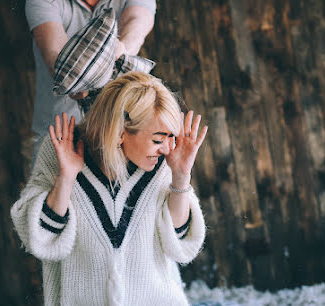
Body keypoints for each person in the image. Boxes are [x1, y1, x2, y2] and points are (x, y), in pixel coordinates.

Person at [11, 71, 208, 305]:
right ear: (120, 132)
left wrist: (181, 176)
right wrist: (66, 177)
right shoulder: (62, 150)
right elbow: (40, 239)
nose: (167, 148)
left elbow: (180, 243)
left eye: (170, 138)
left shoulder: (162, 163)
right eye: (157, 140)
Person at [25, 0, 157, 161]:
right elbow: (54, 55)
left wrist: (121, 51)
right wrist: (72, 82)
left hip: (122, 131)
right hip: (60, 133)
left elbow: (137, 22)